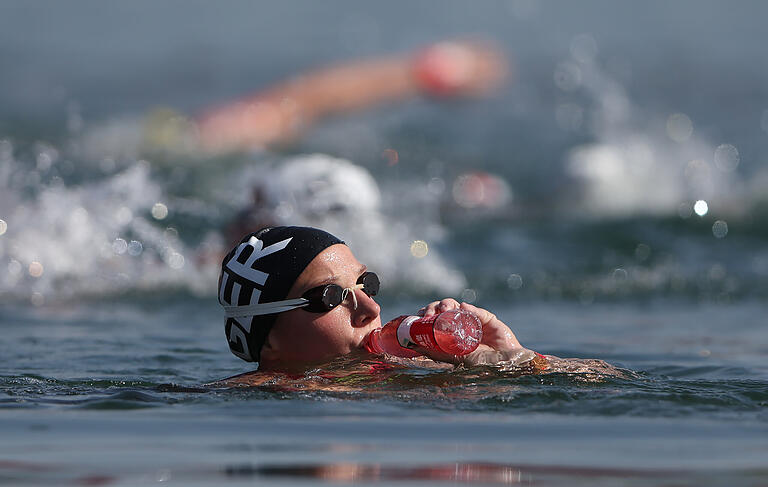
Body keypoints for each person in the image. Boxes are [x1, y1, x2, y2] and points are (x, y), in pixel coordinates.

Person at [217, 226, 547, 380]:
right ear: (270, 340)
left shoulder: (418, 370)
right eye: (330, 296)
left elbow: (596, 383)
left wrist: (513, 358)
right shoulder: (264, 393)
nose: (371, 310)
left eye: (366, 284)